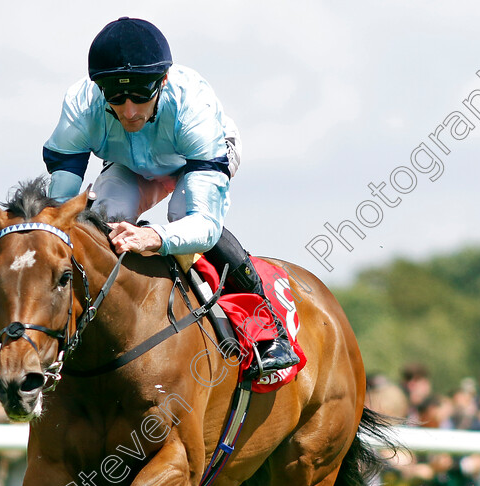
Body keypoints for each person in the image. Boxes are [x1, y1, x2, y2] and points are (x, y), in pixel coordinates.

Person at [43, 17, 298, 378]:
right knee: (104, 216)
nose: (129, 111)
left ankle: (268, 327)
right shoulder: (80, 103)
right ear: (99, 89)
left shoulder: (193, 103)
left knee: (182, 217)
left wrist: (156, 237)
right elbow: (59, 207)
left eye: (140, 96)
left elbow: (205, 226)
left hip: (200, 156)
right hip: (129, 162)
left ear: (162, 81)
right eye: (115, 98)